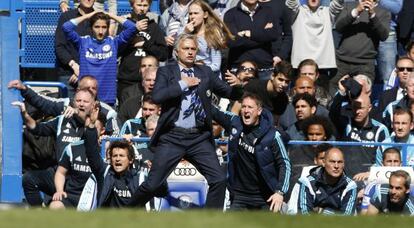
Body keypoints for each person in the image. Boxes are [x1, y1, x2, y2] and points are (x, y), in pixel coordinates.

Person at [127, 33, 243, 208]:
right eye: (186, 48)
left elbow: (227, 92)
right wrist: (183, 84)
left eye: (193, 49)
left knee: (218, 179)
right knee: (152, 185)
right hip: (173, 136)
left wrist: (239, 85)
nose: (190, 52)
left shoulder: (205, 72)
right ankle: (127, 212)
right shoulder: (166, 71)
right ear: (177, 51)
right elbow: (157, 96)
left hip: (199, 138)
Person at [11, 88, 96, 206]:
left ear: (93, 105)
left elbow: (90, 126)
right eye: (78, 100)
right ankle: (40, 215)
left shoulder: (96, 122)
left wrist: (77, 113)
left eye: (85, 101)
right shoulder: (63, 120)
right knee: (28, 179)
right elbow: (37, 128)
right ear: (73, 102)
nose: (81, 104)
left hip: (81, 175)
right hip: (59, 172)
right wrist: (24, 114)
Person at [212, 93, 291, 212]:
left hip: (265, 197)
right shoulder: (235, 123)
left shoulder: (273, 135)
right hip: (239, 195)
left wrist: (280, 192)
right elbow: (215, 112)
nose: (246, 111)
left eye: (250, 107)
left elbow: (284, 164)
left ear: (259, 111)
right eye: (243, 107)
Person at [62, 11, 137, 105]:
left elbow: (133, 27)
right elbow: (66, 27)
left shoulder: (114, 43)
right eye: (97, 27)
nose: (100, 31)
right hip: (85, 99)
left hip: (107, 99)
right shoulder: (83, 42)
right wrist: (88, 15)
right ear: (91, 27)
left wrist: (110, 15)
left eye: (104, 27)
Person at [8, 76, 120, 136]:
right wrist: (24, 89)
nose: (90, 91)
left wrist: (105, 140)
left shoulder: (108, 113)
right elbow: (44, 102)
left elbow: (117, 137)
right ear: (78, 90)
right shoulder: (67, 104)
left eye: (93, 88)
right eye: (86, 88)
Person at [329, 0, 391, 96]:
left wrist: (373, 16)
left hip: (365, 64)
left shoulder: (383, 12)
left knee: (362, 95)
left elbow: (384, 36)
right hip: (342, 62)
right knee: (334, 93)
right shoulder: (349, 6)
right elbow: (339, 27)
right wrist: (356, 11)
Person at [49, 110, 107, 209]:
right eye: (87, 127)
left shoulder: (108, 150)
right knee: (55, 206)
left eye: (93, 127)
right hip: (73, 196)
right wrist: (59, 190)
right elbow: (60, 173)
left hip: (97, 197)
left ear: (102, 130)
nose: (88, 130)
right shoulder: (72, 148)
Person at [117, 0, 168, 105]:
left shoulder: (154, 27)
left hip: (149, 81)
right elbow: (116, 50)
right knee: (126, 112)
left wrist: (145, 44)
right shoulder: (125, 25)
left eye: (145, 5)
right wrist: (133, 30)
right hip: (127, 80)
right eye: (139, 5)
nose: (142, 8)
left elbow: (163, 54)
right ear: (132, 5)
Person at [224, 0, 283, 80]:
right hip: (239, 69)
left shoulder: (268, 11)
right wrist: (262, 34)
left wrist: (247, 33)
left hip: (265, 68)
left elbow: (273, 35)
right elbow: (232, 42)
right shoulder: (230, 14)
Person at [296, 147, 357, 215]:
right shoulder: (308, 182)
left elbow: (347, 219)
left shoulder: (350, 185)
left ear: (343, 164)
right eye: (332, 162)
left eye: (339, 162)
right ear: (324, 163)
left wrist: (323, 212)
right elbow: (304, 215)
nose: (336, 166)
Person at [286, 0, 344, 71]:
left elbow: (338, 3)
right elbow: (291, 3)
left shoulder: (328, 12)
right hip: (301, 65)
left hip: (323, 66)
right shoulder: (297, 11)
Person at [181, 0, 234, 76]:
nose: (192, 17)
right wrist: (185, 33)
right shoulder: (186, 32)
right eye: (190, 14)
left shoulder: (212, 35)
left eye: (196, 13)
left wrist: (198, 67)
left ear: (205, 15)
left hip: (209, 78)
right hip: (190, 76)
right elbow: (176, 54)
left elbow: (216, 66)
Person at [55, 0, 94, 93]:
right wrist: (75, 66)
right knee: (68, 106)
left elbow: (101, 49)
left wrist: (82, 70)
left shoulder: (98, 18)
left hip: (92, 75)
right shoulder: (66, 17)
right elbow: (59, 46)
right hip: (68, 74)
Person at [359, 147, 402, 214]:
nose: (393, 165)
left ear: (401, 164)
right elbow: (364, 214)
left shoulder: (409, 184)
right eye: (389, 161)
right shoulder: (371, 186)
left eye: (396, 161)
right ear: (382, 164)